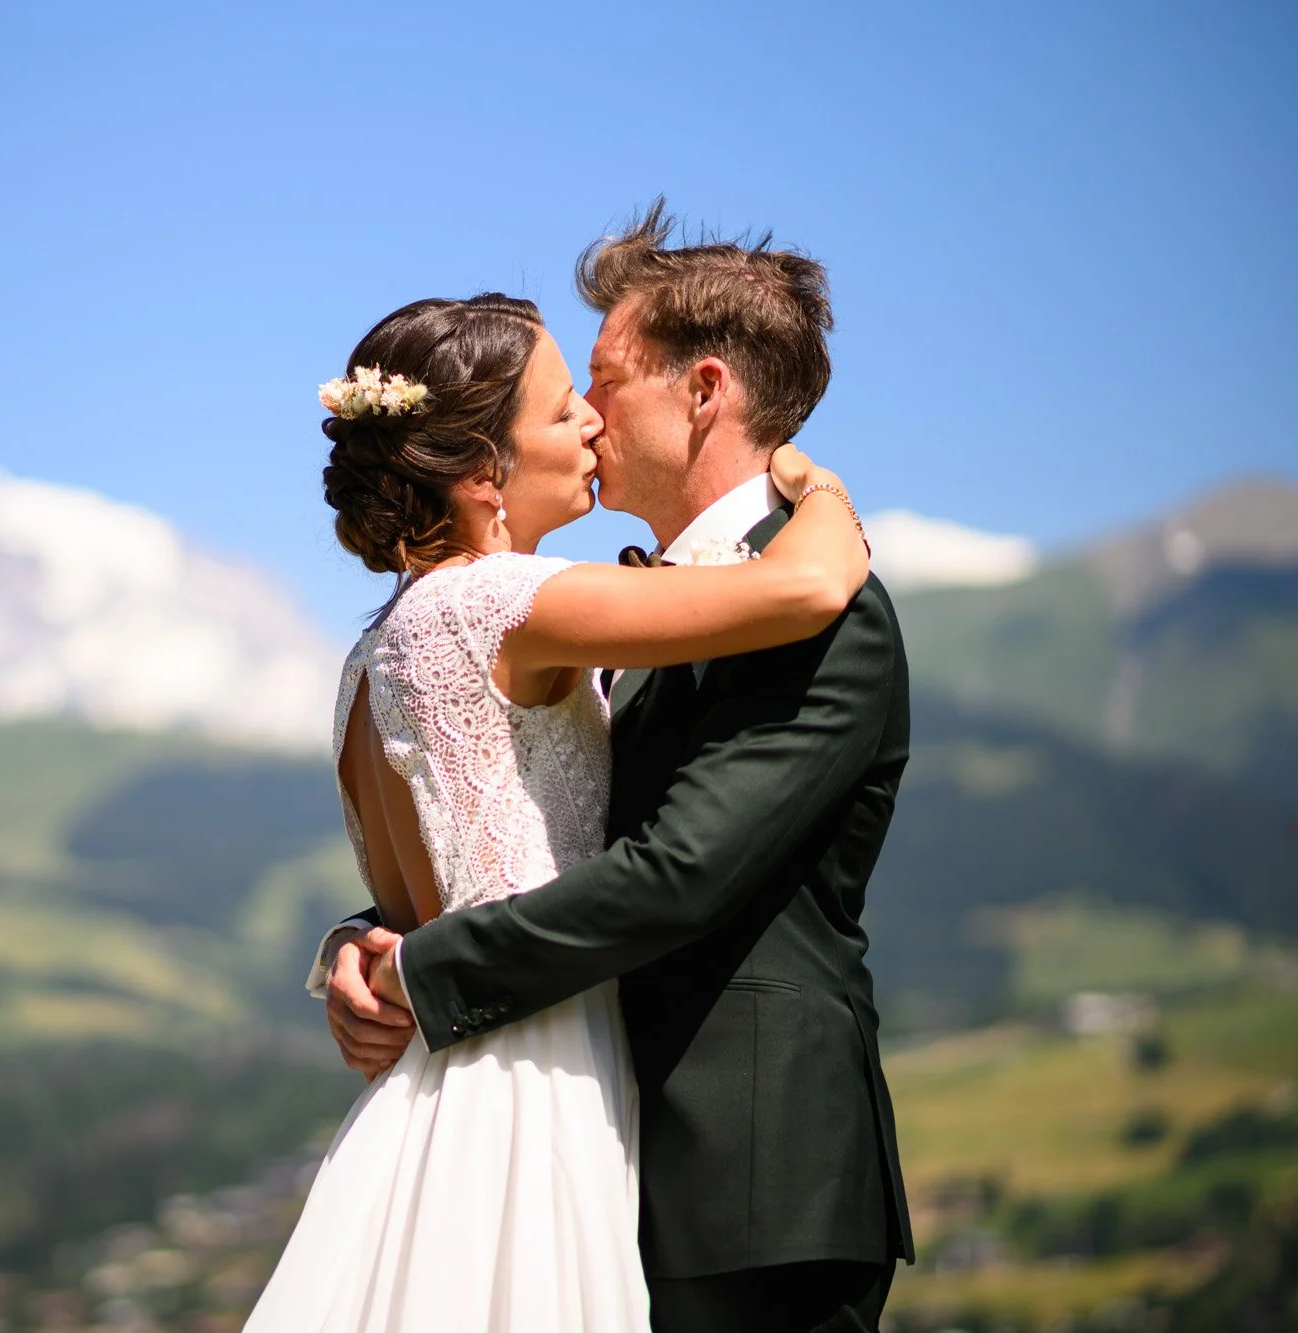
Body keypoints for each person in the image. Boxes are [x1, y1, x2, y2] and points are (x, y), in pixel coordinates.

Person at [316, 204, 916, 1333]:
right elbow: (531, 837)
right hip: (591, 1136)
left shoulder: (826, 617)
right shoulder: (593, 612)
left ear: (700, 392)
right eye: (563, 401)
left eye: (600, 380)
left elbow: (675, 873)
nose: (585, 417)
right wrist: (378, 938)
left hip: (748, 1182)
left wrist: (416, 964)